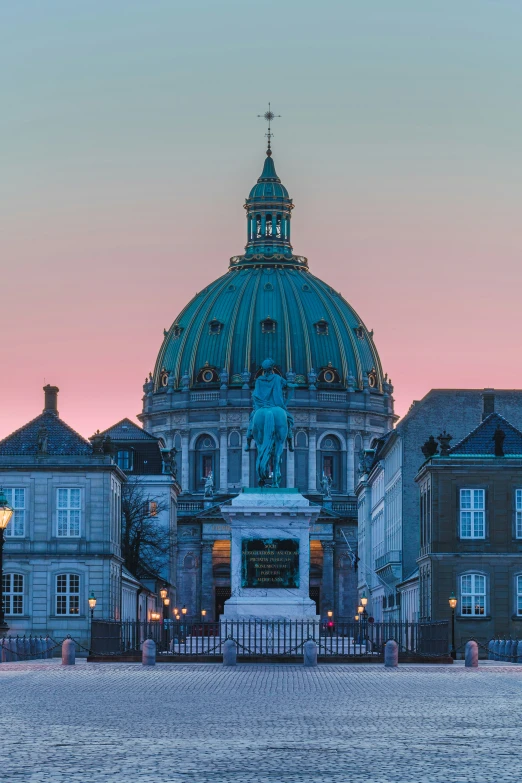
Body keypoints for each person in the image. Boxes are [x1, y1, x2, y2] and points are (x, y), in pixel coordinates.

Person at [245, 358, 295, 452]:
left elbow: (255, 395)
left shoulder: (259, 380)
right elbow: (287, 384)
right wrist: (293, 386)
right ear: (272, 368)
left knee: (252, 421)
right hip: (276, 405)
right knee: (288, 420)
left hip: (261, 406)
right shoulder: (277, 378)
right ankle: (290, 441)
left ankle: (248, 442)